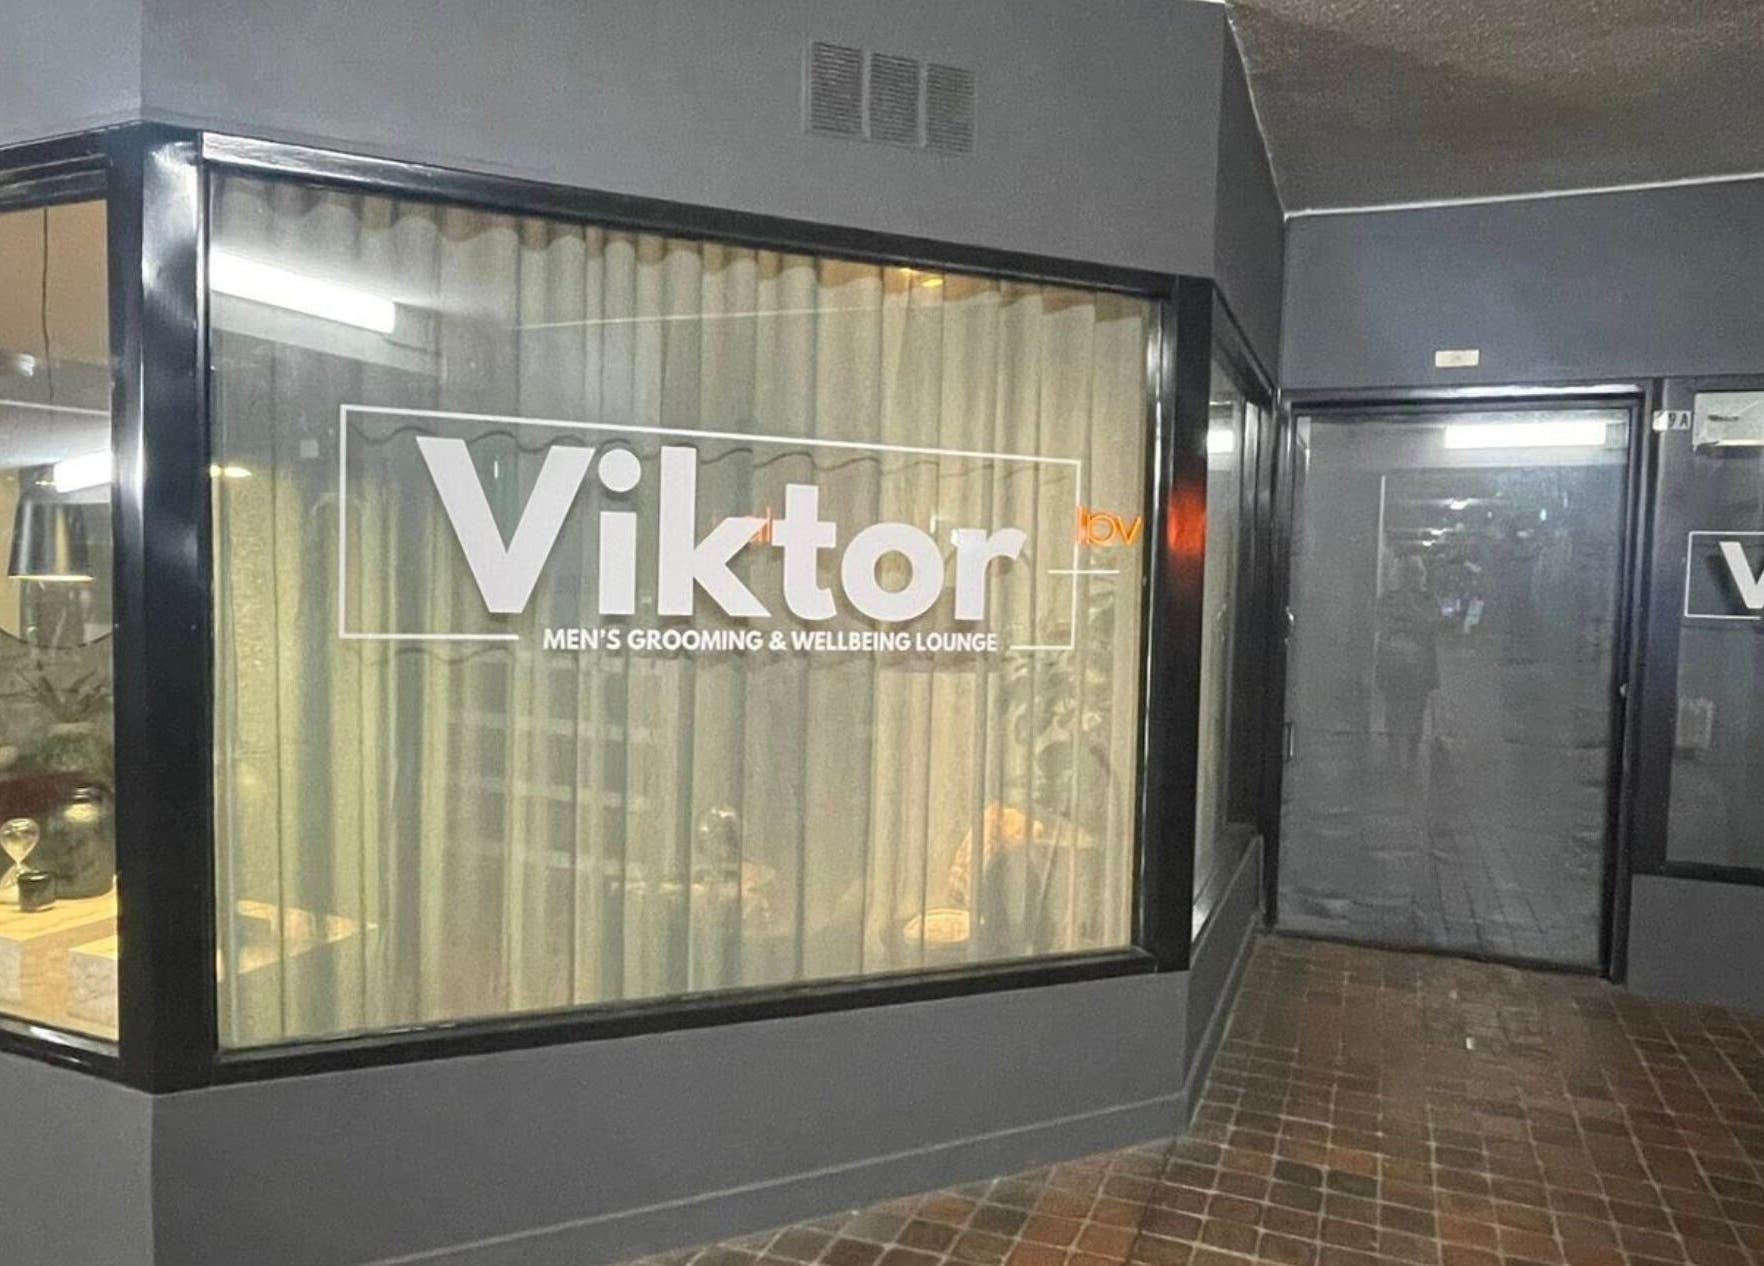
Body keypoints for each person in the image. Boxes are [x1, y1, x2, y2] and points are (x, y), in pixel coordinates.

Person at [1376, 555, 1439, 773]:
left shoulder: (1427, 599)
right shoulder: (1388, 599)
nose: (1412, 578)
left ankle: (1411, 758)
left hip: (1419, 668)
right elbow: (1382, 626)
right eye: (1407, 573)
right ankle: (1395, 757)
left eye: (1416, 573)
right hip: (1394, 665)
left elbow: (1431, 626)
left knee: (1416, 714)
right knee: (1394, 712)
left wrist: (1411, 608)